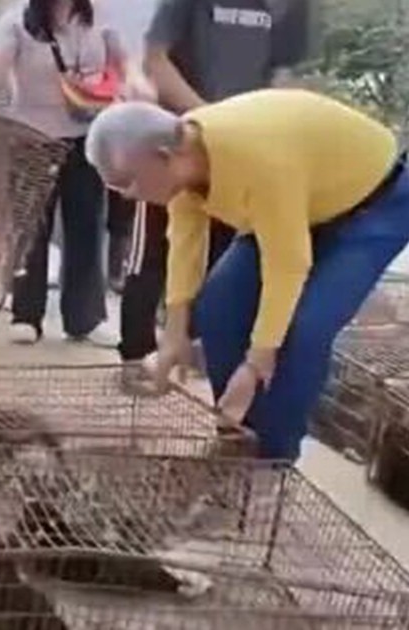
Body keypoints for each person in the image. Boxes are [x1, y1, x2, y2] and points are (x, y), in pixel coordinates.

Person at [85, 90, 408, 462]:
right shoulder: (187, 160)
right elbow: (185, 244)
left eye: (127, 183)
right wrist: (174, 336)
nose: (127, 196)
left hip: (375, 204)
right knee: (218, 305)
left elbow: (287, 265)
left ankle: (273, 460)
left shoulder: (256, 160)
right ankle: (236, 432)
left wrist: (256, 364)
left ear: (163, 158)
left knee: (302, 332)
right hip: (299, 201)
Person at [116, 0, 310, 381]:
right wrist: (211, 120)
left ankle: (201, 356)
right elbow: (156, 60)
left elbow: (284, 72)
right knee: (157, 249)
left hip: (245, 150)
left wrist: (256, 129)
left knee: (226, 256)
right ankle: (137, 355)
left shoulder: (292, 5)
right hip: (176, 138)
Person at [0, 0, 150, 347]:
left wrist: (136, 83)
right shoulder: (19, 22)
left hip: (86, 137)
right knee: (29, 226)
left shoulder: (99, 16)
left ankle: (85, 318)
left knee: (87, 225)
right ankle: (26, 314)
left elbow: (127, 62)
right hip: (32, 137)